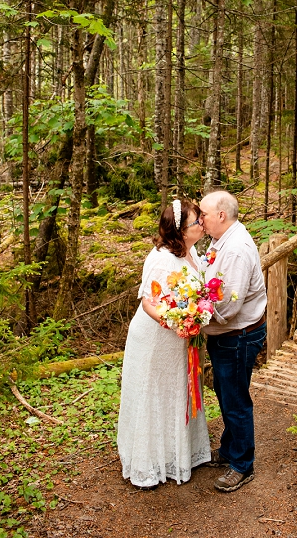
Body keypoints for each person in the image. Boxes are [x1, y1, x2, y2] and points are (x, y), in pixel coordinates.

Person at [117, 198, 211, 488]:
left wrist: (195, 316)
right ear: (182, 230)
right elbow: (149, 304)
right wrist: (178, 323)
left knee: (177, 391)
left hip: (178, 339)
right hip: (157, 339)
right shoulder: (161, 259)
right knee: (156, 392)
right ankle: (150, 461)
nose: (203, 223)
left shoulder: (191, 250)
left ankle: (179, 453)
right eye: (198, 221)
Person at [199, 190, 267, 493]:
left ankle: (242, 464)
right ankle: (229, 449)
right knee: (226, 393)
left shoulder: (236, 249)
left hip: (237, 335)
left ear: (221, 215)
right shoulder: (219, 241)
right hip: (226, 335)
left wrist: (193, 314)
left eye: (204, 214)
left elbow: (227, 306)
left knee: (236, 398)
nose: (201, 219)